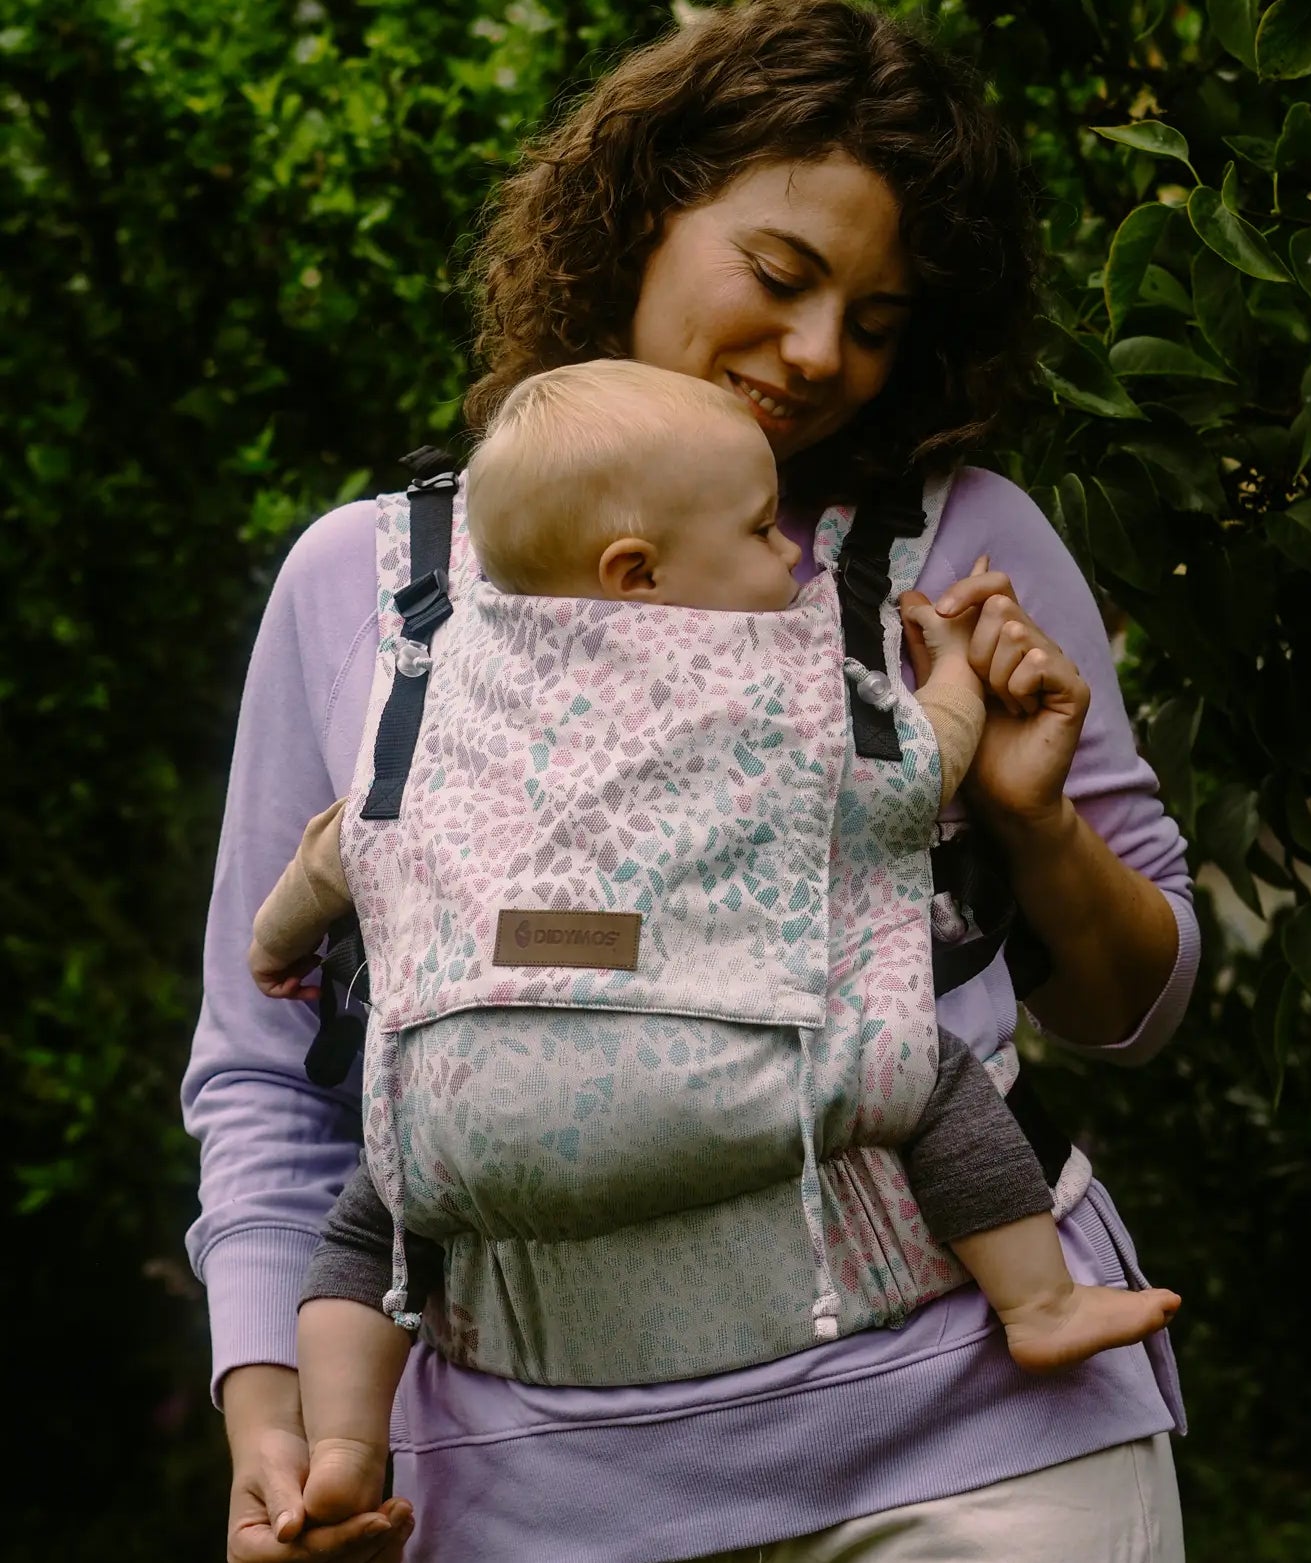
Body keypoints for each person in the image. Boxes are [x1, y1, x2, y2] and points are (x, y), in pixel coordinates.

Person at [184, 5, 1198, 1560]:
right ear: (642, 209)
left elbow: (1137, 1002)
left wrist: (1030, 817)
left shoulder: (963, 548)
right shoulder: (365, 581)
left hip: (975, 1437)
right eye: (783, 277)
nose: (816, 355)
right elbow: (271, 1069)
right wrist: (275, 1431)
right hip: (519, 1486)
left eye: (876, 318)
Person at [242, 357, 1180, 1532]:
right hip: (743, 1085)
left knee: (373, 1215)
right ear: (635, 574)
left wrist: (276, 948)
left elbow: (336, 852)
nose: (786, 556)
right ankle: (1039, 1303)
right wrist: (946, 685)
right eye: (754, 530)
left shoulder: (425, 695)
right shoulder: (769, 689)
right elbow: (911, 773)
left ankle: (339, 1439)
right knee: (927, 1076)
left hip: (475, 1108)